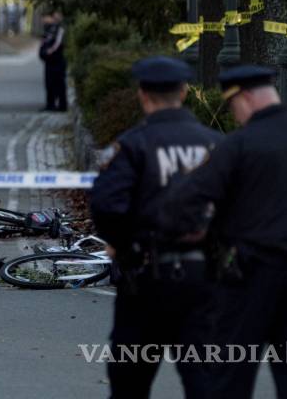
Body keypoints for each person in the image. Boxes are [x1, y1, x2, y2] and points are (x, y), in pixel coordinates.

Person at [160, 65, 287, 399]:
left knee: (229, 378)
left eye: (232, 107)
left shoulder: (238, 145)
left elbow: (186, 199)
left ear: (242, 98)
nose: (235, 116)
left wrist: (197, 233)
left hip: (252, 278)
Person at [90, 56, 223, 399]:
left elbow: (106, 204)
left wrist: (123, 244)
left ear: (142, 94)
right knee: (205, 380)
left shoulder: (133, 144)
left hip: (146, 279)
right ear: (184, 92)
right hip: (204, 279)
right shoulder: (216, 144)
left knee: (130, 381)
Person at [39, 10, 67, 111]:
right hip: (49, 61)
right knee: (49, 83)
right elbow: (44, 41)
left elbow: (57, 44)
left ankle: (62, 105)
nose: (44, 20)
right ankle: (50, 104)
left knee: (59, 83)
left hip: (57, 60)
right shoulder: (49, 29)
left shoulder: (60, 28)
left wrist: (49, 52)